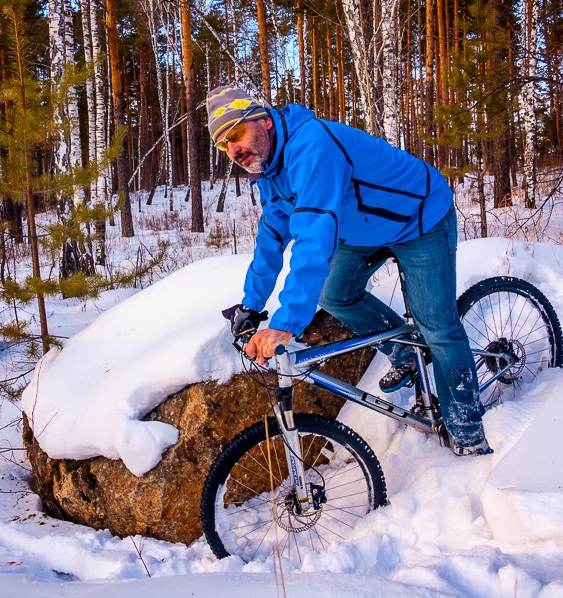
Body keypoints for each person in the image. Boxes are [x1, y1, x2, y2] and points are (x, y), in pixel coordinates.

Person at [207, 85, 490, 456]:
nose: (233, 151)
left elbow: (312, 236)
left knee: (437, 327)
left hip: (418, 218)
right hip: (363, 229)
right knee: (334, 293)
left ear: (262, 121)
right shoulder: (271, 171)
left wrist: (286, 322)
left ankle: (468, 430)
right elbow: (272, 236)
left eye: (235, 135)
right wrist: (251, 303)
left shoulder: (312, 147)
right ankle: (404, 352)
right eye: (223, 145)